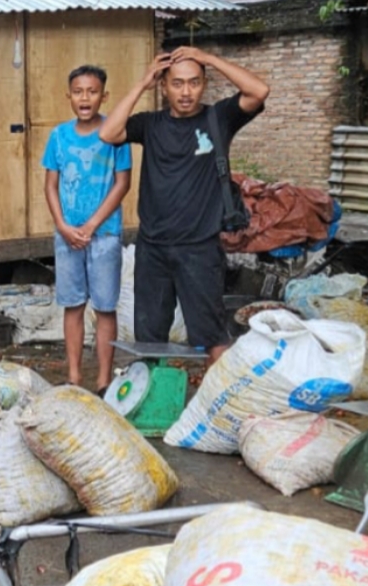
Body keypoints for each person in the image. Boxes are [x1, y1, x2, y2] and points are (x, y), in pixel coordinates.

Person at [100, 46, 269, 365]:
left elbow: (259, 90)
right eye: (177, 83)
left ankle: (216, 407)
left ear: (204, 83)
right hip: (153, 249)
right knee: (149, 341)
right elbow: (109, 133)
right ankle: (150, 403)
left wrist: (210, 59)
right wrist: (142, 82)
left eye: (194, 82)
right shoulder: (150, 124)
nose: (186, 91)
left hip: (200, 250)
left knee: (212, 338)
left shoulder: (218, 118)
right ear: (164, 86)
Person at [42, 65, 132, 392]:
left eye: (92, 91)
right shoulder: (58, 136)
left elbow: (122, 184)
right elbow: (50, 185)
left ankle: (104, 379)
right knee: (73, 304)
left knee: (105, 307)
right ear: (69, 96)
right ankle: (75, 377)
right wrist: (63, 226)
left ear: (103, 96)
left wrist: (92, 224)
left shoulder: (116, 133)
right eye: (78, 91)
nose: (85, 98)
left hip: (105, 233)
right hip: (67, 236)